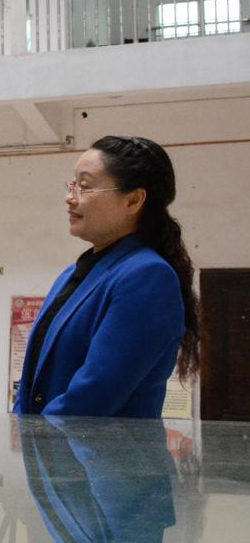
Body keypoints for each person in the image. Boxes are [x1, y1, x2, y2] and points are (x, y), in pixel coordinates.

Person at [14, 136, 199, 417]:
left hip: (97, 447)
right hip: (49, 442)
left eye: (85, 186)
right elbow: (31, 381)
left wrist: (37, 433)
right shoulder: (72, 275)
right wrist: (19, 429)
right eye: (72, 185)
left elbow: (95, 392)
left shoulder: (148, 276)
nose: (70, 197)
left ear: (133, 200)